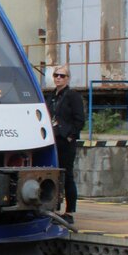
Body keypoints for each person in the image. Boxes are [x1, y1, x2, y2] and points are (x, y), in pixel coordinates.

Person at [45, 65, 84, 223]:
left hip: (65, 140)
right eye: (56, 75)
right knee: (52, 174)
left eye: (62, 75)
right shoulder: (52, 96)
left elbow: (79, 118)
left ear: (67, 78)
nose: (58, 78)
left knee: (67, 175)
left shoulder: (72, 95)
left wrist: (71, 135)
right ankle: (53, 208)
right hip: (53, 140)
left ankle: (70, 211)